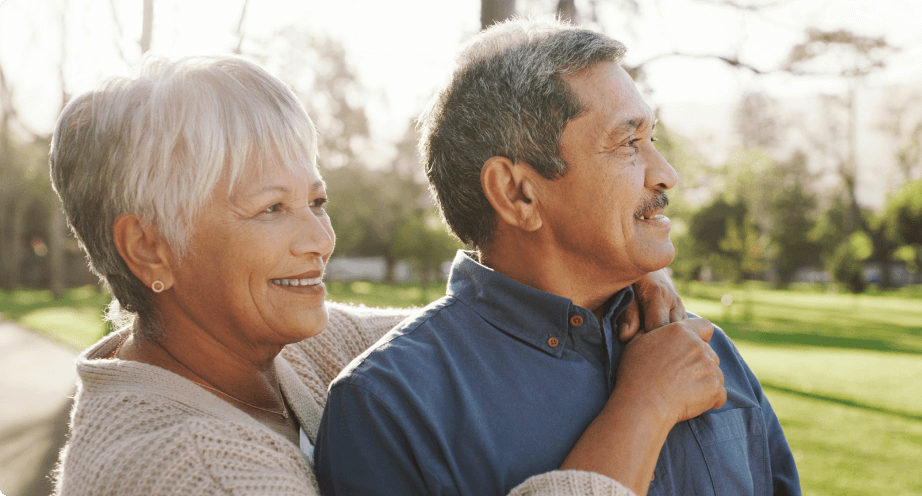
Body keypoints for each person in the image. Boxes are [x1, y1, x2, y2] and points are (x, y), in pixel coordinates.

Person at [50, 54, 710, 496]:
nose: (319, 239)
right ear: (149, 249)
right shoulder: (187, 471)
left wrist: (618, 269)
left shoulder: (285, 351)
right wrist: (644, 408)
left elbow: (481, 329)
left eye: (316, 201)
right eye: (271, 209)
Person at [314, 18, 801, 496]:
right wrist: (646, 403)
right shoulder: (390, 407)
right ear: (517, 194)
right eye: (628, 143)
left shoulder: (702, 349)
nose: (666, 174)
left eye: (653, 139)